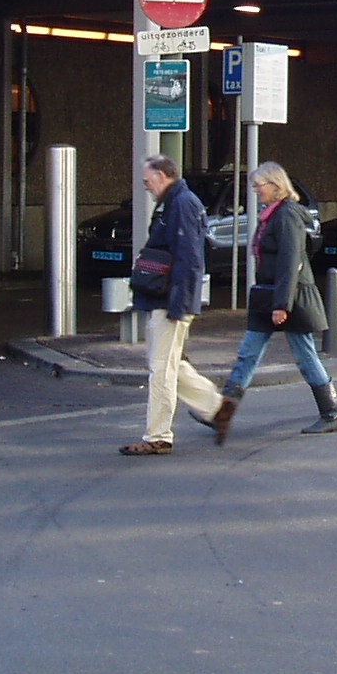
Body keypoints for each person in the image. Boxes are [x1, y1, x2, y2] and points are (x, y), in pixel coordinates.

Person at [121, 154, 230, 456]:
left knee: (161, 368)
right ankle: (217, 408)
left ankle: (158, 435)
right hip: (165, 298)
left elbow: (189, 260)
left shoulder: (181, 204)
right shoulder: (176, 201)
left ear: (162, 176)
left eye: (147, 181)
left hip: (169, 300)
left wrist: (178, 307)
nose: (146, 187)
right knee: (170, 365)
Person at [220, 162, 337, 434]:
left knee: (305, 355)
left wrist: (281, 305)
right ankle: (223, 413)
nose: (255, 191)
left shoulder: (286, 216)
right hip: (269, 295)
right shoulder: (271, 214)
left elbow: (290, 262)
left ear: (275, 186)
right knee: (248, 354)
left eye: (258, 185)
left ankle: (330, 414)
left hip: (288, 298)